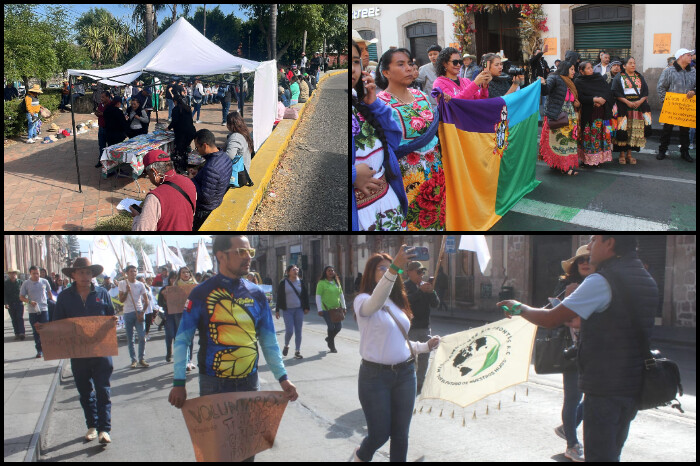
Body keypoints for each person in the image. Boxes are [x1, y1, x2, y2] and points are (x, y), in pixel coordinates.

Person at [498, 235, 658, 462]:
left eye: (594, 241)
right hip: (632, 384)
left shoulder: (603, 280)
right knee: (613, 452)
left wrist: (518, 307)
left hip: (604, 386)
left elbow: (552, 318)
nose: (590, 247)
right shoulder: (645, 278)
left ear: (610, 243)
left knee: (600, 455)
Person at [168, 236, 298, 462]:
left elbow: (268, 342)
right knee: (219, 454)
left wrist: (283, 378)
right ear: (221, 255)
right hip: (214, 385)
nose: (248, 257)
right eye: (240, 252)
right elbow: (182, 340)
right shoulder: (200, 293)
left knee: (248, 451)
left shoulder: (257, 294)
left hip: (249, 383)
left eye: (250, 251)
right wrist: (179, 382)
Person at [353, 246, 440, 462]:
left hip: (405, 374)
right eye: (380, 268)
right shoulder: (362, 300)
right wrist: (394, 268)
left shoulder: (397, 302)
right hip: (375, 378)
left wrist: (425, 346)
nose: (385, 271)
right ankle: (361, 456)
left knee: (401, 435)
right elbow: (376, 302)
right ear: (371, 274)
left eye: (388, 268)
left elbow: (400, 342)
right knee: (379, 434)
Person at [48, 258, 117, 445]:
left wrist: (114, 321)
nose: (85, 276)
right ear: (73, 275)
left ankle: (105, 429)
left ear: (92, 275)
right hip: (78, 353)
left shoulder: (102, 293)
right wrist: (43, 329)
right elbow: (57, 324)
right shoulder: (64, 297)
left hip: (101, 351)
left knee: (103, 390)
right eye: (81, 272)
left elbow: (111, 316)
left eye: (88, 272)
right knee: (85, 391)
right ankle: (92, 426)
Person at [131, 150, 197, 231]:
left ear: (154, 172)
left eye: (148, 174)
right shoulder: (189, 182)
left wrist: (137, 217)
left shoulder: (154, 198)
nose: (148, 178)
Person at [656, 48, 696, 162]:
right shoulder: (669, 71)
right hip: (672, 107)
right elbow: (661, 87)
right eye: (688, 55)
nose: (691, 57)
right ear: (680, 57)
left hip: (687, 107)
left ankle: (685, 152)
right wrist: (666, 102)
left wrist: (694, 91)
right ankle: (662, 151)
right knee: (666, 130)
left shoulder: (693, 71)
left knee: (685, 131)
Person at [191, 129, 233, 231]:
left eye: (197, 147)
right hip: (217, 200)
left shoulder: (212, 167)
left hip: (205, 211)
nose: (197, 151)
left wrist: (192, 180)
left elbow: (206, 197)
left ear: (205, 145)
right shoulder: (224, 156)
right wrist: (200, 174)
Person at [275, 265, 310, 359]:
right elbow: (279, 296)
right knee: (290, 331)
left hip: (299, 309)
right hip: (287, 310)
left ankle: (297, 351)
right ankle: (286, 345)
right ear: (288, 272)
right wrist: (277, 310)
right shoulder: (283, 282)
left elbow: (305, 295)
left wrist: (307, 307)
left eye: (296, 269)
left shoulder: (301, 282)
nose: (295, 271)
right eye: (293, 269)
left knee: (298, 330)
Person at [118, 265, 150, 368]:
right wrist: (127, 291)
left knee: (141, 336)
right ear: (127, 273)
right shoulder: (122, 284)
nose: (134, 273)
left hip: (139, 312)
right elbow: (121, 300)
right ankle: (133, 359)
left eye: (135, 271)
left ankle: (141, 358)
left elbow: (146, 300)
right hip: (127, 313)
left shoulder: (140, 284)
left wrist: (142, 312)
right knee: (130, 338)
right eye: (131, 271)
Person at [19, 265, 53, 357]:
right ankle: (39, 350)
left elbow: (50, 293)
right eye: (34, 274)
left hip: (44, 309)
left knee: (45, 330)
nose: (36, 275)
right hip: (32, 310)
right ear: (30, 273)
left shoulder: (44, 281)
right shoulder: (26, 283)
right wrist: (29, 301)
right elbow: (21, 297)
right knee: (36, 330)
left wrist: (52, 301)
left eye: (37, 273)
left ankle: (47, 348)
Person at [316, 266, 346, 353]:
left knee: (338, 327)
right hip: (326, 309)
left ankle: (329, 338)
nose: (331, 272)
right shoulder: (321, 283)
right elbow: (318, 296)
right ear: (325, 272)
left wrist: (344, 307)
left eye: (332, 270)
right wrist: (319, 309)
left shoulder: (336, 282)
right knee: (331, 327)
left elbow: (341, 295)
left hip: (336, 309)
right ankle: (332, 346)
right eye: (329, 271)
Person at [5, 268, 25, 340]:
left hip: (19, 302)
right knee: (14, 319)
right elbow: (5, 294)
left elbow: (24, 292)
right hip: (10, 303)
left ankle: (22, 333)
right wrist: (6, 303)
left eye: (14, 273)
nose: (12, 275)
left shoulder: (20, 282)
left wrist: (25, 299)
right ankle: (16, 333)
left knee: (20, 317)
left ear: (16, 274)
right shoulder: (6, 283)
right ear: (9, 275)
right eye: (11, 273)